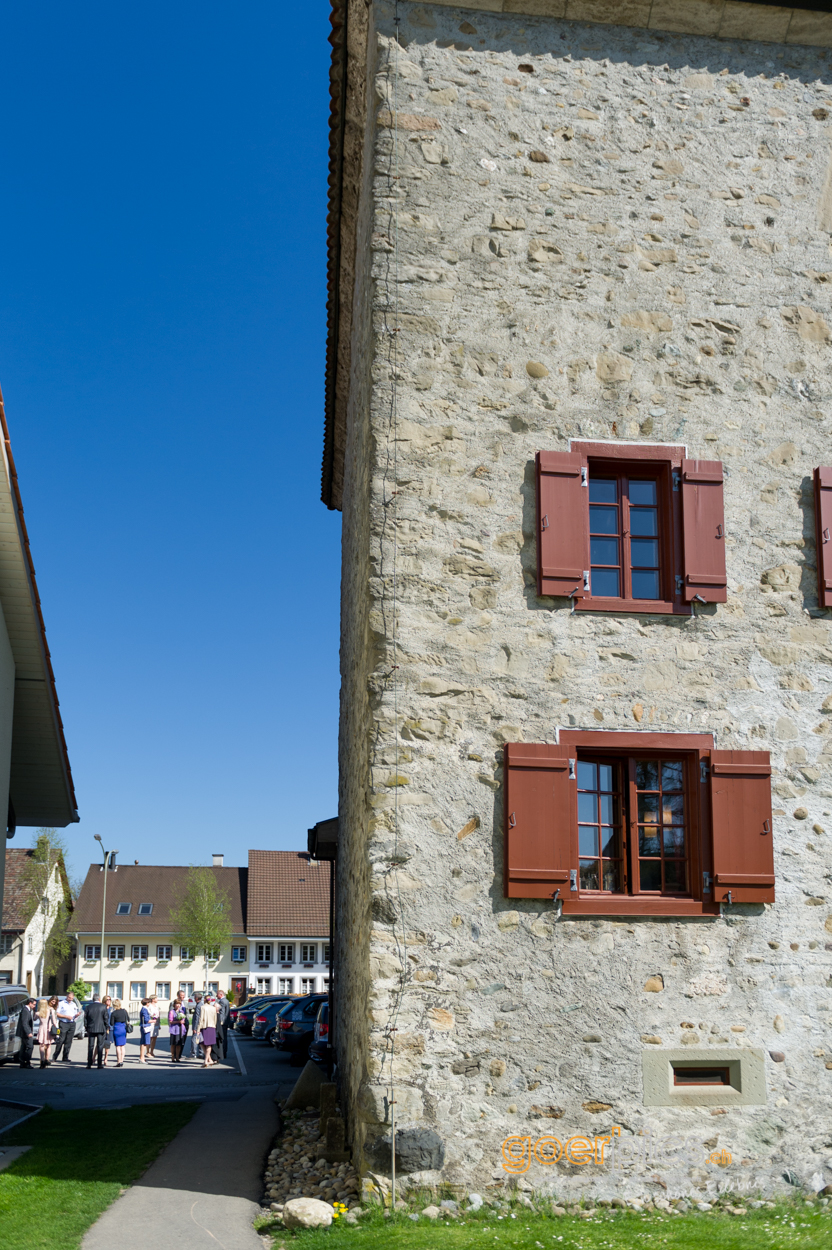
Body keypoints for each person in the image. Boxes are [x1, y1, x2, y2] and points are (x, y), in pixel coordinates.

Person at [54, 990, 82, 1063]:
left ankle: (65, 1057)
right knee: (61, 1040)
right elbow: (57, 1014)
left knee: (69, 1041)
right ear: (67, 996)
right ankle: (55, 1056)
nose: (70, 999)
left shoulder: (73, 1004)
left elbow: (75, 1013)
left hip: (72, 1023)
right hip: (64, 1023)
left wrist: (77, 1015)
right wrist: (66, 1016)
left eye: (72, 998)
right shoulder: (61, 1003)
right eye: (69, 997)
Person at [84, 993, 109, 1069]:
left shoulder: (88, 1007)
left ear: (92, 999)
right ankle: (99, 1064)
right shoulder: (103, 1007)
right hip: (101, 1029)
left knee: (90, 1046)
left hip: (91, 1029)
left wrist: (86, 1027)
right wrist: (106, 1027)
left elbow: (85, 1019)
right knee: (100, 1046)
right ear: (99, 999)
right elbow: (105, 1018)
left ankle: (89, 1064)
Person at [37, 996, 59, 1067]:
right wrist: (58, 1030)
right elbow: (55, 1022)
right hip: (48, 1029)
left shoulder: (38, 1012)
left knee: (42, 1045)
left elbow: (34, 1019)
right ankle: (47, 1059)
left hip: (41, 1028)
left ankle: (42, 1060)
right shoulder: (51, 1010)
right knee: (48, 1045)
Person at [16, 996, 37, 1068]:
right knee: (30, 1047)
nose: (34, 1006)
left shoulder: (28, 1010)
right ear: (30, 1003)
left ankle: (22, 1062)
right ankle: (26, 1061)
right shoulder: (25, 1010)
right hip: (26, 1033)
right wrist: (28, 1032)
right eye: (34, 1004)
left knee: (24, 1047)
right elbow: (24, 1023)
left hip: (25, 1032)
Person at [199, 994, 218, 1067]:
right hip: (212, 1026)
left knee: (202, 1043)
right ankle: (209, 1059)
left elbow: (201, 1019)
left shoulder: (202, 1007)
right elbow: (215, 1018)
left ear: (204, 1000)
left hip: (204, 1026)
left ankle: (206, 1061)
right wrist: (214, 1026)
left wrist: (198, 1028)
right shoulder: (213, 1008)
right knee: (208, 1044)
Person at [109, 998, 129, 1066]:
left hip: (117, 1028)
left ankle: (118, 1061)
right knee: (122, 1046)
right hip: (123, 1028)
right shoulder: (124, 1011)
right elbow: (128, 1019)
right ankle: (122, 1060)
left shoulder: (113, 1013)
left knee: (117, 1046)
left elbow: (111, 1023)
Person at [168, 997, 188, 1062]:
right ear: (174, 1004)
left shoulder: (181, 1011)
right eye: (177, 1004)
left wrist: (182, 1021)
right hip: (174, 1029)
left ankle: (177, 1057)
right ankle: (173, 1056)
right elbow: (170, 1021)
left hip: (180, 1029)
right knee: (173, 1044)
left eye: (179, 1004)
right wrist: (177, 1022)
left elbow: (183, 1019)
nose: (178, 1005)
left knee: (179, 1044)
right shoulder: (172, 1012)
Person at [186, 992, 203, 1060]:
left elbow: (197, 1017)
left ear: (196, 998)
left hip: (197, 1026)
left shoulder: (199, 1006)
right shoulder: (201, 1004)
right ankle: (201, 1053)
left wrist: (195, 1027)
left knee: (194, 1039)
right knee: (200, 1039)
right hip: (201, 1026)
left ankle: (193, 1054)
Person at [215, 989, 230, 1063]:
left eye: (217, 994)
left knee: (222, 1038)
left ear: (221, 995)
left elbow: (222, 1013)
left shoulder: (222, 1001)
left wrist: (220, 1022)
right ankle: (224, 1052)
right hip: (226, 1022)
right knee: (225, 1038)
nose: (216, 996)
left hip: (222, 1022)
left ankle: (222, 1053)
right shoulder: (226, 1001)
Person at [101, 995, 114, 1066]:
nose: (109, 1001)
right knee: (100, 1043)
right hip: (102, 1028)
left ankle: (105, 1058)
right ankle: (94, 1057)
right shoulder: (102, 1008)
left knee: (108, 1044)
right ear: (104, 1001)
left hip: (110, 1028)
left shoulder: (112, 1009)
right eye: (107, 999)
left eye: (110, 999)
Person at [139, 999, 152, 1063]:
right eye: (149, 1002)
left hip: (145, 1027)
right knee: (144, 1043)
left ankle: (142, 1057)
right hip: (145, 1027)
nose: (149, 1004)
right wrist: (154, 1020)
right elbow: (146, 1020)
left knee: (143, 1042)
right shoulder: (144, 1010)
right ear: (147, 1003)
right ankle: (142, 1057)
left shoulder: (144, 1009)